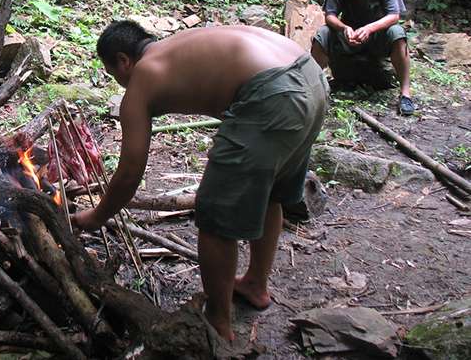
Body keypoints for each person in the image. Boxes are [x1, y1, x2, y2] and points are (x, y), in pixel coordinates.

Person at [70, 20, 328, 341]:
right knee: (271, 193)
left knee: (215, 213)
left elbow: (129, 172)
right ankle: (255, 284)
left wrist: (96, 216)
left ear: (123, 61)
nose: (120, 84)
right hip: (311, 77)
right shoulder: (175, 47)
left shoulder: (143, 76)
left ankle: (218, 324)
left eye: (115, 75)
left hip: (275, 94)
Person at [311, 0, 414, 115]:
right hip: (348, 35)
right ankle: (310, 87)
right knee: (323, 34)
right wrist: (344, 28)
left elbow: (394, 16)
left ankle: (405, 94)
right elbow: (330, 15)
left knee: (397, 34)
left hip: (377, 36)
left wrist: (370, 28)